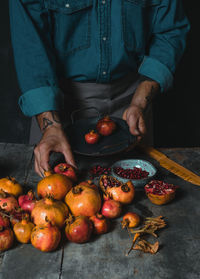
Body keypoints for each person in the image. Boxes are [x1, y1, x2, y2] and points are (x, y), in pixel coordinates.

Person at [9, 0, 190, 177]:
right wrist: (50, 126)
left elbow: (171, 31)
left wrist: (141, 99)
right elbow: (29, 45)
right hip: (58, 106)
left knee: (139, 198)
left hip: (134, 98)